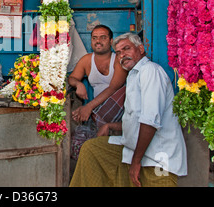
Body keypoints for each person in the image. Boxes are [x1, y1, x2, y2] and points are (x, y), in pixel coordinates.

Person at [70, 33, 187, 187]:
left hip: (158, 155)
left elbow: (150, 121)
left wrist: (136, 161)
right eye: (118, 52)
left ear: (140, 49)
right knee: (93, 149)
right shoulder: (133, 75)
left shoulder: (150, 71)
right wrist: (110, 126)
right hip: (135, 148)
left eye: (126, 49)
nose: (122, 55)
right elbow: (135, 119)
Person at [69, 25, 128, 123]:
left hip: (121, 110)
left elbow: (113, 88)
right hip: (99, 109)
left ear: (111, 41)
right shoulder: (86, 60)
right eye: (94, 38)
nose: (98, 41)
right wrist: (78, 84)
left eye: (103, 37)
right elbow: (72, 78)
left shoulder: (118, 59)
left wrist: (88, 107)